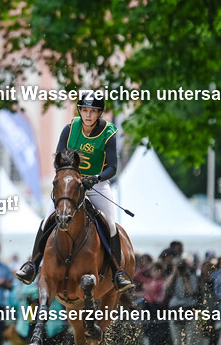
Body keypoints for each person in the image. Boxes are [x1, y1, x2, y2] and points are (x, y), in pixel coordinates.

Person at [14, 93, 133, 293]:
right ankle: (32, 265)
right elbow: (59, 159)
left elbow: (112, 167)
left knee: (110, 223)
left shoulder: (109, 133)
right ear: (80, 111)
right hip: (71, 184)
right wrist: (73, 176)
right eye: (85, 110)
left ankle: (117, 271)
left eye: (93, 111)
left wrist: (95, 178)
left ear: (99, 114)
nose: (88, 115)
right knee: (46, 220)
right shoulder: (69, 130)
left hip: (97, 184)